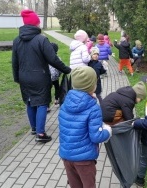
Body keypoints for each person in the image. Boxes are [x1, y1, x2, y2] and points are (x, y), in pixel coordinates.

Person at [12, 9, 71, 143]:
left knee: (29, 101)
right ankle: (41, 133)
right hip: (40, 77)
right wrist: (67, 70)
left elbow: (15, 62)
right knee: (42, 103)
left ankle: (34, 128)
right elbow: (53, 59)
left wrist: (17, 77)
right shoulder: (41, 39)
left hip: (24, 77)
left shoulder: (17, 41)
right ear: (35, 24)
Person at [58, 66, 112, 188]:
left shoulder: (65, 103)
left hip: (66, 156)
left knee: (75, 185)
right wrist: (108, 131)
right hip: (84, 160)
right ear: (92, 86)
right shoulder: (93, 108)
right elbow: (96, 136)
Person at [47, 43, 63, 112]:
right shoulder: (58, 58)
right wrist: (59, 74)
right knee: (57, 88)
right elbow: (60, 68)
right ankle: (56, 99)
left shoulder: (45, 58)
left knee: (47, 91)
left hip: (48, 78)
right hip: (55, 77)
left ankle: (47, 106)